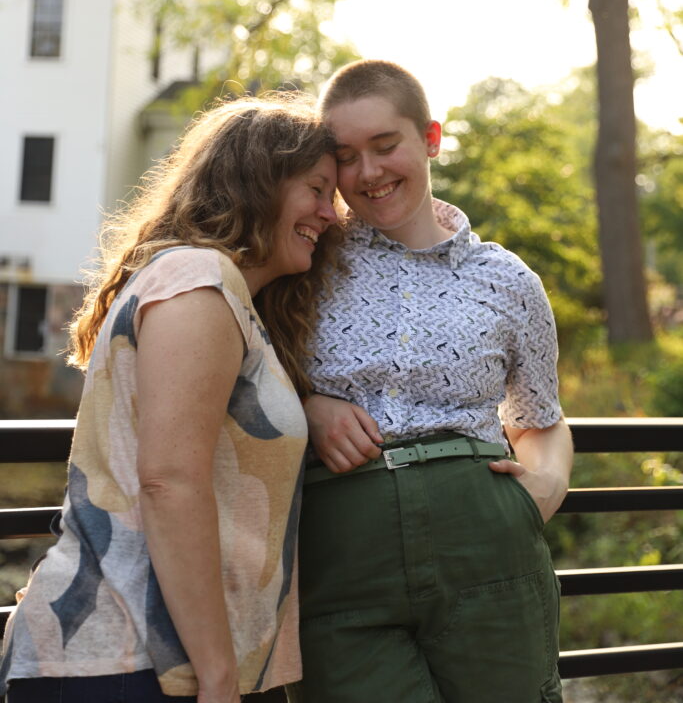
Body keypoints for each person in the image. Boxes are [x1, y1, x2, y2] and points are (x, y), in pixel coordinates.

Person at [0, 95, 339, 703]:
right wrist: (216, 676)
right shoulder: (199, 284)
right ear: (260, 182)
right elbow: (168, 482)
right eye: (317, 189)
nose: (331, 213)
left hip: (134, 664)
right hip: (130, 665)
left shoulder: (213, 291)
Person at [288, 60, 573, 703]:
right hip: (341, 559)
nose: (368, 173)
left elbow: (540, 417)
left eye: (386, 146)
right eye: (346, 156)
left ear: (431, 139)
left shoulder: (510, 281)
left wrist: (544, 486)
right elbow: (243, 366)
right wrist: (307, 406)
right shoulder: (306, 259)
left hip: (490, 547)